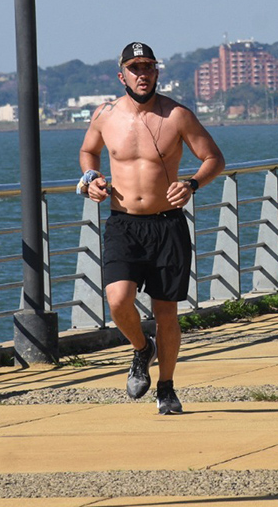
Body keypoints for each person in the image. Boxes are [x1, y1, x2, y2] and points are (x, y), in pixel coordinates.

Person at [79, 41, 225, 415]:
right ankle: (142, 349)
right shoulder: (105, 115)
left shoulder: (177, 115)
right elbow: (88, 151)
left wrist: (192, 184)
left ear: (157, 73)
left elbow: (213, 158)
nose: (142, 75)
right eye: (135, 68)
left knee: (166, 314)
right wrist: (91, 177)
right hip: (123, 223)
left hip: (167, 225)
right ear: (121, 74)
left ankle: (167, 387)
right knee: (118, 300)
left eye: (148, 68)